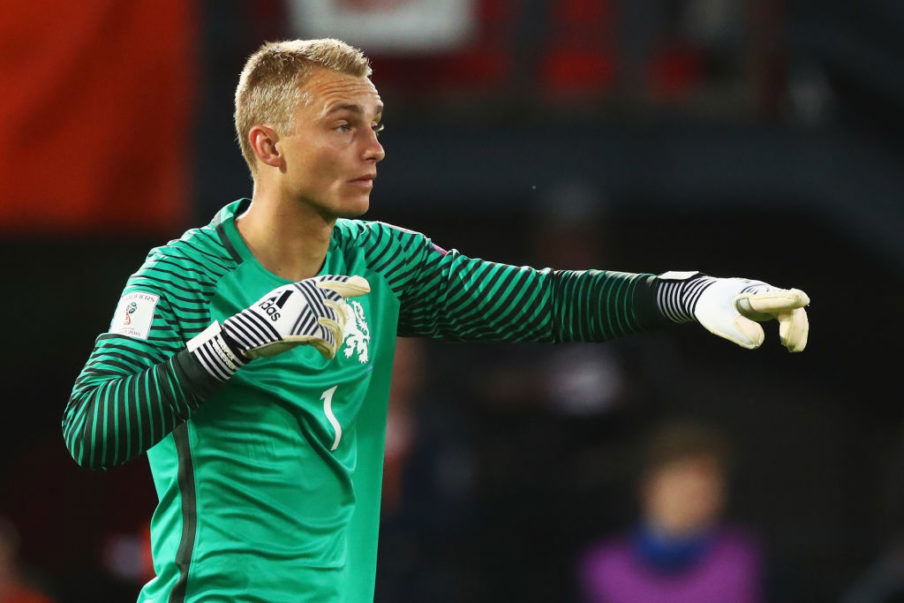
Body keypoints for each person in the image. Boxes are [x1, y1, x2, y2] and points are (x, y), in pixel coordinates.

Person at [61, 39, 810, 602]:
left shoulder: (381, 260)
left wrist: (685, 293)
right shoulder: (185, 276)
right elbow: (92, 429)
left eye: (376, 124)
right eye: (343, 125)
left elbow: (544, 301)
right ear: (269, 146)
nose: (375, 148)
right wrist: (236, 338)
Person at [579, 422, 762, 603]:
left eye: (706, 489)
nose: (693, 498)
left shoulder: (739, 559)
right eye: (680, 483)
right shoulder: (605, 566)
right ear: (649, 486)